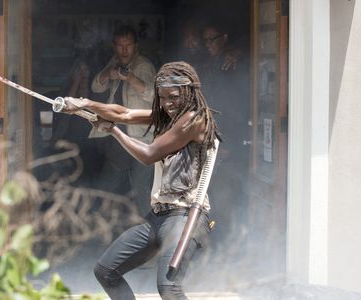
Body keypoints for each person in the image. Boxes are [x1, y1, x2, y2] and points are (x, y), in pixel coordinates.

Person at [65, 61, 222, 300]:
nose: (167, 104)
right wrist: (83, 104)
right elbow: (124, 113)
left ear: (189, 93)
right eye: (162, 98)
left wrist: (114, 131)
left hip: (184, 216)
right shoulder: (170, 117)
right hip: (160, 217)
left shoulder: (194, 119)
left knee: (168, 287)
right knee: (106, 271)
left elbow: (149, 155)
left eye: (174, 97)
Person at [91, 25, 157, 214]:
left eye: (128, 45)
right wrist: (107, 74)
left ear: (136, 46)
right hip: (118, 136)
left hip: (141, 138)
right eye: (120, 46)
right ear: (114, 47)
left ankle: (151, 232)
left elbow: (154, 96)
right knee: (108, 184)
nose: (124, 50)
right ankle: (102, 227)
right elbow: (96, 87)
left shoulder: (143, 66)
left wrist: (129, 78)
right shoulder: (114, 62)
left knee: (140, 187)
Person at [201, 22, 250, 253]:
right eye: (206, 40)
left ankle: (227, 248)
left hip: (227, 139)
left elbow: (237, 107)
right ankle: (216, 244)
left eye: (212, 39)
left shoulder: (232, 62)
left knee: (225, 195)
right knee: (212, 196)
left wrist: (227, 141)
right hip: (212, 137)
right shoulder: (212, 64)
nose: (208, 44)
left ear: (225, 37)